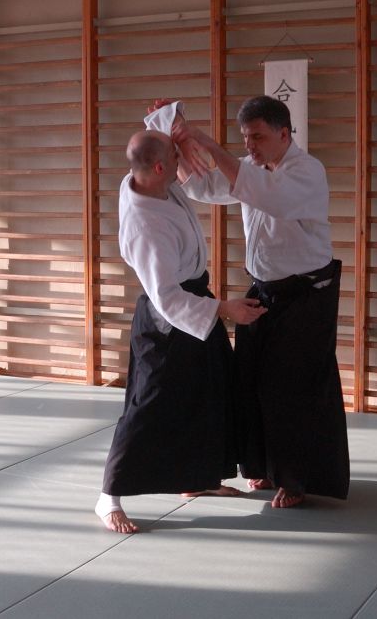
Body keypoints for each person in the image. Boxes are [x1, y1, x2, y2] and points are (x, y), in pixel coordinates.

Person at [166, 95, 350, 509]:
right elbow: (201, 187)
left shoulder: (307, 171)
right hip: (264, 291)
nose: (250, 145)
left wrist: (208, 144)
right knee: (251, 380)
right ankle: (265, 466)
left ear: (284, 134)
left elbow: (270, 196)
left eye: (258, 137)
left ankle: (295, 478)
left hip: (306, 295)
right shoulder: (250, 168)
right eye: (245, 137)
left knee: (291, 387)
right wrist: (179, 138)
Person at [95, 129, 266, 533]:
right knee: (149, 403)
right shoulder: (145, 225)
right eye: (176, 158)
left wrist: (173, 121)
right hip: (167, 318)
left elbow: (154, 140)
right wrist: (224, 309)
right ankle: (108, 496)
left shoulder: (148, 179)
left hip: (194, 299)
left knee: (209, 389)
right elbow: (166, 297)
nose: (182, 163)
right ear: (159, 168)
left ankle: (197, 477)